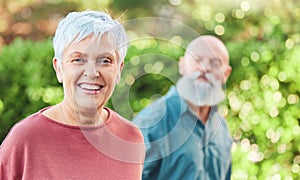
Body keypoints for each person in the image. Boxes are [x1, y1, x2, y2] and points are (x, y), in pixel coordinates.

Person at [0, 10, 145, 179]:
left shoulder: (131, 137)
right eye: (78, 59)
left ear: (119, 70)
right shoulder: (25, 139)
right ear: (59, 69)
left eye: (105, 60)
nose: (92, 73)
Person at [133, 35, 233, 179]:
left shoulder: (222, 129)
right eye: (197, 60)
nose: (205, 68)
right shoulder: (151, 120)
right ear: (182, 65)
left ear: (226, 74)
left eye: (215, 63)